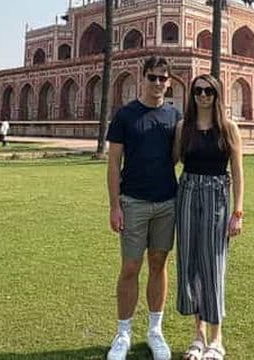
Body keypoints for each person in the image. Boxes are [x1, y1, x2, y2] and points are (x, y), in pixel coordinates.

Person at [106, 56, 182, 360]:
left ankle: (155, 330)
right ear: (143, 78)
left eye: (163, 78)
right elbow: (114, 164)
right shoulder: (125, 116)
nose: (158, 83)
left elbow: (176, 156)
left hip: (166, 202)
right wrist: (115, 206)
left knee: (159, 264)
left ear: (169, 82)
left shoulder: (174, 116)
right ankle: (123, 332)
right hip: (133, 202)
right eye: (152, 77)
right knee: (130, 266)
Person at [174, 74, 244, 360]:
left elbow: (238, 172)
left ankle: (217, 339)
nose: (203, 95)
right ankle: (199, 336)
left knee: (213, 265)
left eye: (208, 91)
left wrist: (238, 212)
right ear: (192, 95)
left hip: (217, 197)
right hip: (188, 193)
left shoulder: (228, 128)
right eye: (198, 91)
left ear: (217, 95)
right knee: (190, 263)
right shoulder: (184, 128)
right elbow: (171, 161)